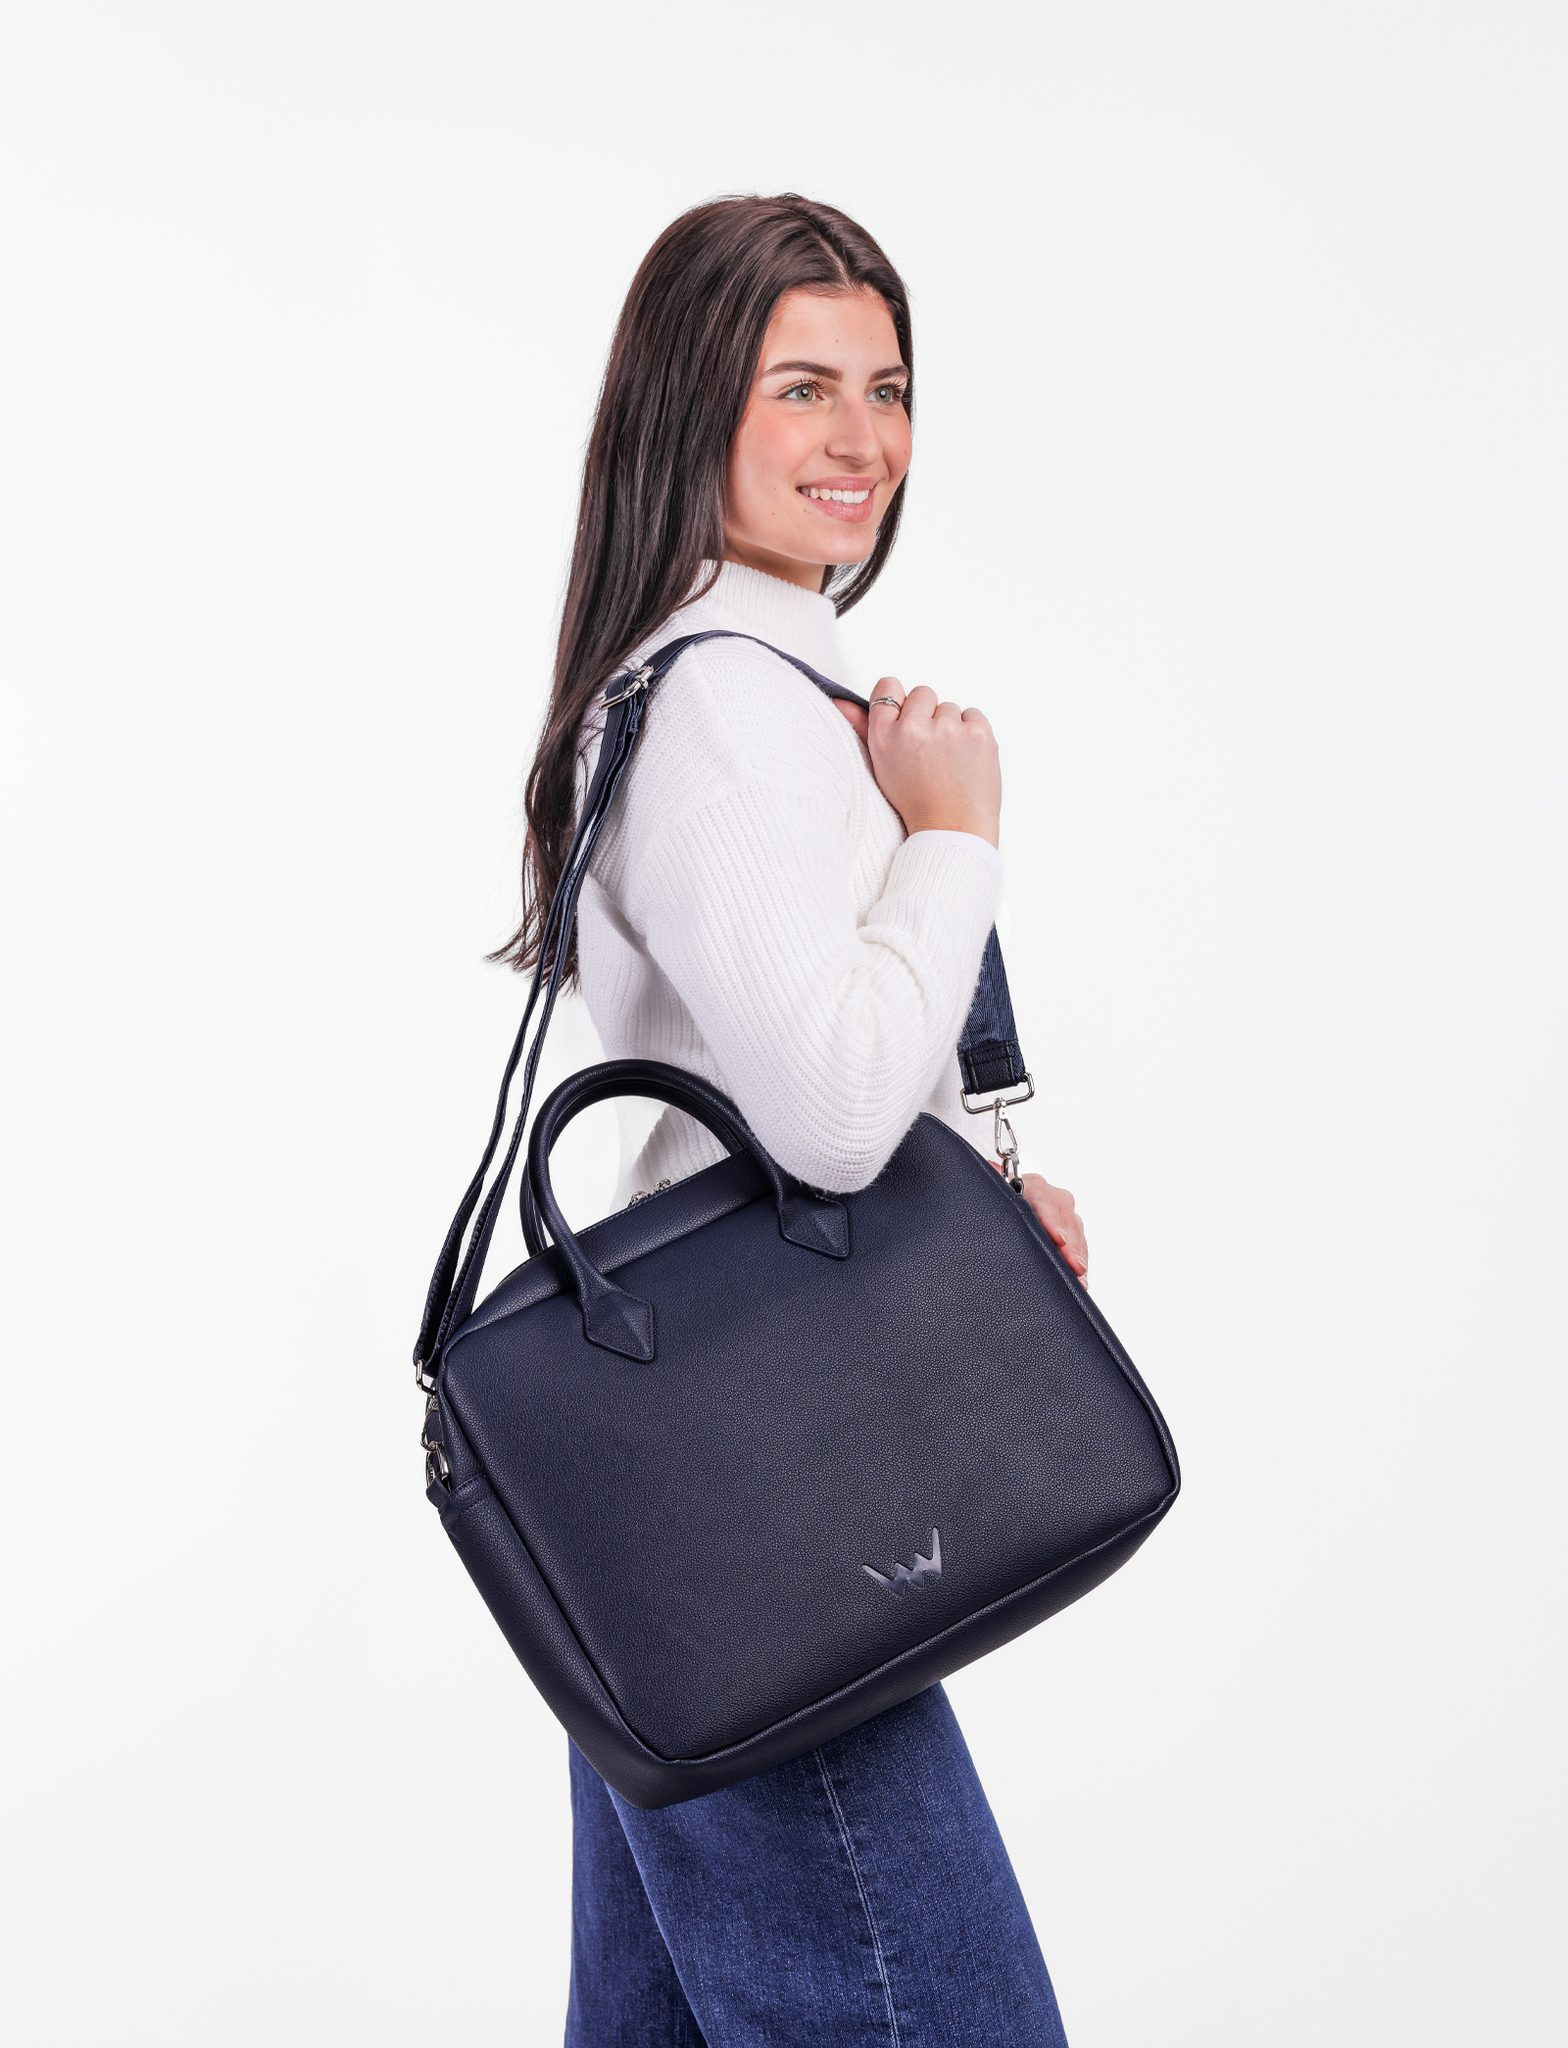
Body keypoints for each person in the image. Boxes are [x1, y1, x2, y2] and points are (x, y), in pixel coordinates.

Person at [488, 191, 1088, 2048]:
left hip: (697, 1497)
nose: (863, 440)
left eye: (887, 388)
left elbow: (802, 1081)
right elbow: (823, 1118)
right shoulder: (730, 709)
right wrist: (959, 835)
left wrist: (959, 1193)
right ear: (692, 406)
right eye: (803, 387)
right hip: (767, 1513)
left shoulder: (730, 686)